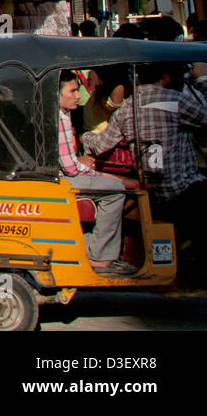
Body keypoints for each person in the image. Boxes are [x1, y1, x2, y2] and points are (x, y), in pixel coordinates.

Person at [83, 60, 207, 263]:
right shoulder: (176, 101)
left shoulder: (127, 108)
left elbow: (100, 145)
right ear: (165, 76)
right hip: (182, 189)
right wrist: (202, 79)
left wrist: (84, 137)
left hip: (150, 190)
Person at [57, 70, 136, 274]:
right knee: (116, 189)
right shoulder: (59, 118)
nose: (78, 96)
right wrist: (102, 175)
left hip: (65, 175)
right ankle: (100, 257)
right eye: (73, 91)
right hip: (62, 180)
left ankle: (89, 244)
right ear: (57, 94)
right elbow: (71, 168)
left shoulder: (65, 114)